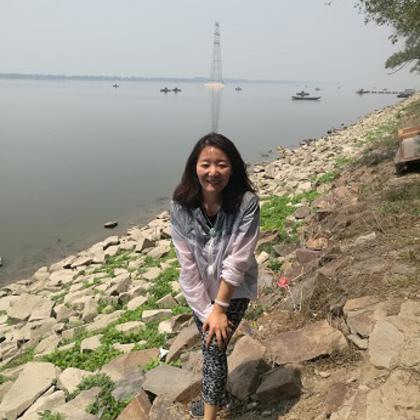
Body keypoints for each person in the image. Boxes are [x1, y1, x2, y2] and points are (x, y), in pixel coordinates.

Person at [170, 132, 260, 419]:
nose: (213, 172)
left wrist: (220, 308)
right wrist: (207, 310)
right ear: (194, 168)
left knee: (212, 348)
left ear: (233, 168)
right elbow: (187, 266)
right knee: (213, 346)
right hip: (199, 293)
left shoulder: (246, 203)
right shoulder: (180, 207)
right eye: (205, 164)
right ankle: (216, 397)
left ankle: (209, 412)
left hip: (234, 289)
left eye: (222, 164)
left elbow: (238, 260)